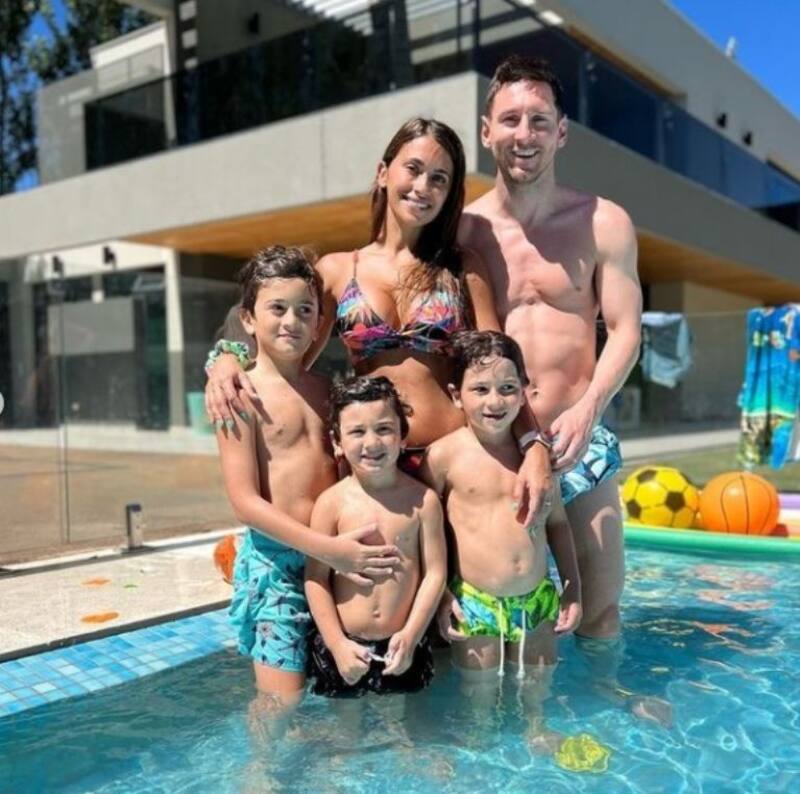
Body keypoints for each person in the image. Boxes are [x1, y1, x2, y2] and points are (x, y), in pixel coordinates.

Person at [204, 117, 554, 525]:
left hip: (454, 458)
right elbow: (276, 328)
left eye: (439, 179)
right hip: (374, 468)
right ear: (384, 172)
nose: (423, 186)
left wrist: (534, 445)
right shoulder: (338, 271)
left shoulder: (461, 268)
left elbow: (501, 365)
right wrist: (227, 358)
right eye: (413, 169)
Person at [455, 55, 642, 650]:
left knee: (600, 615)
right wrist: (231, 353)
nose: (525, 134)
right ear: (486, 130)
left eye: (539, 120)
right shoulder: (462, 231)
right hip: (494, 448)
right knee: (485, 626)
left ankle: (604, 708)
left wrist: (589, 409)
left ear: (561, 132)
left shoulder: (604, 222)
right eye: (510, 119)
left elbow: (627, 330)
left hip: (576, 440)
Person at [215, 247, 401, 709]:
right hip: (278, 565)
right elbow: (244, 502)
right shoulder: (240, 393)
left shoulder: (327, 391)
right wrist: (327, 548)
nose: (291, 321)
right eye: (277, 308)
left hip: (334, 560)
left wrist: (339, 549)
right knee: (282, 702)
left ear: (320, 323)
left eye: (305, 310)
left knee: (342, 688)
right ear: (249, 319)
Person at [305, 375, 446, 698]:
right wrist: (336, 644)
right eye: (357, 432)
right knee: (346, 726)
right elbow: (316, 578)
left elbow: (435, 573)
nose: (371, 443)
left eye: (383, 429)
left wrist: (411, 635)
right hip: (343, 643)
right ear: (337, 441)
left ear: (402, 437)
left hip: (402, 642)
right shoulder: (331, 504)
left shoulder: (423, 502)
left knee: (401, 724)